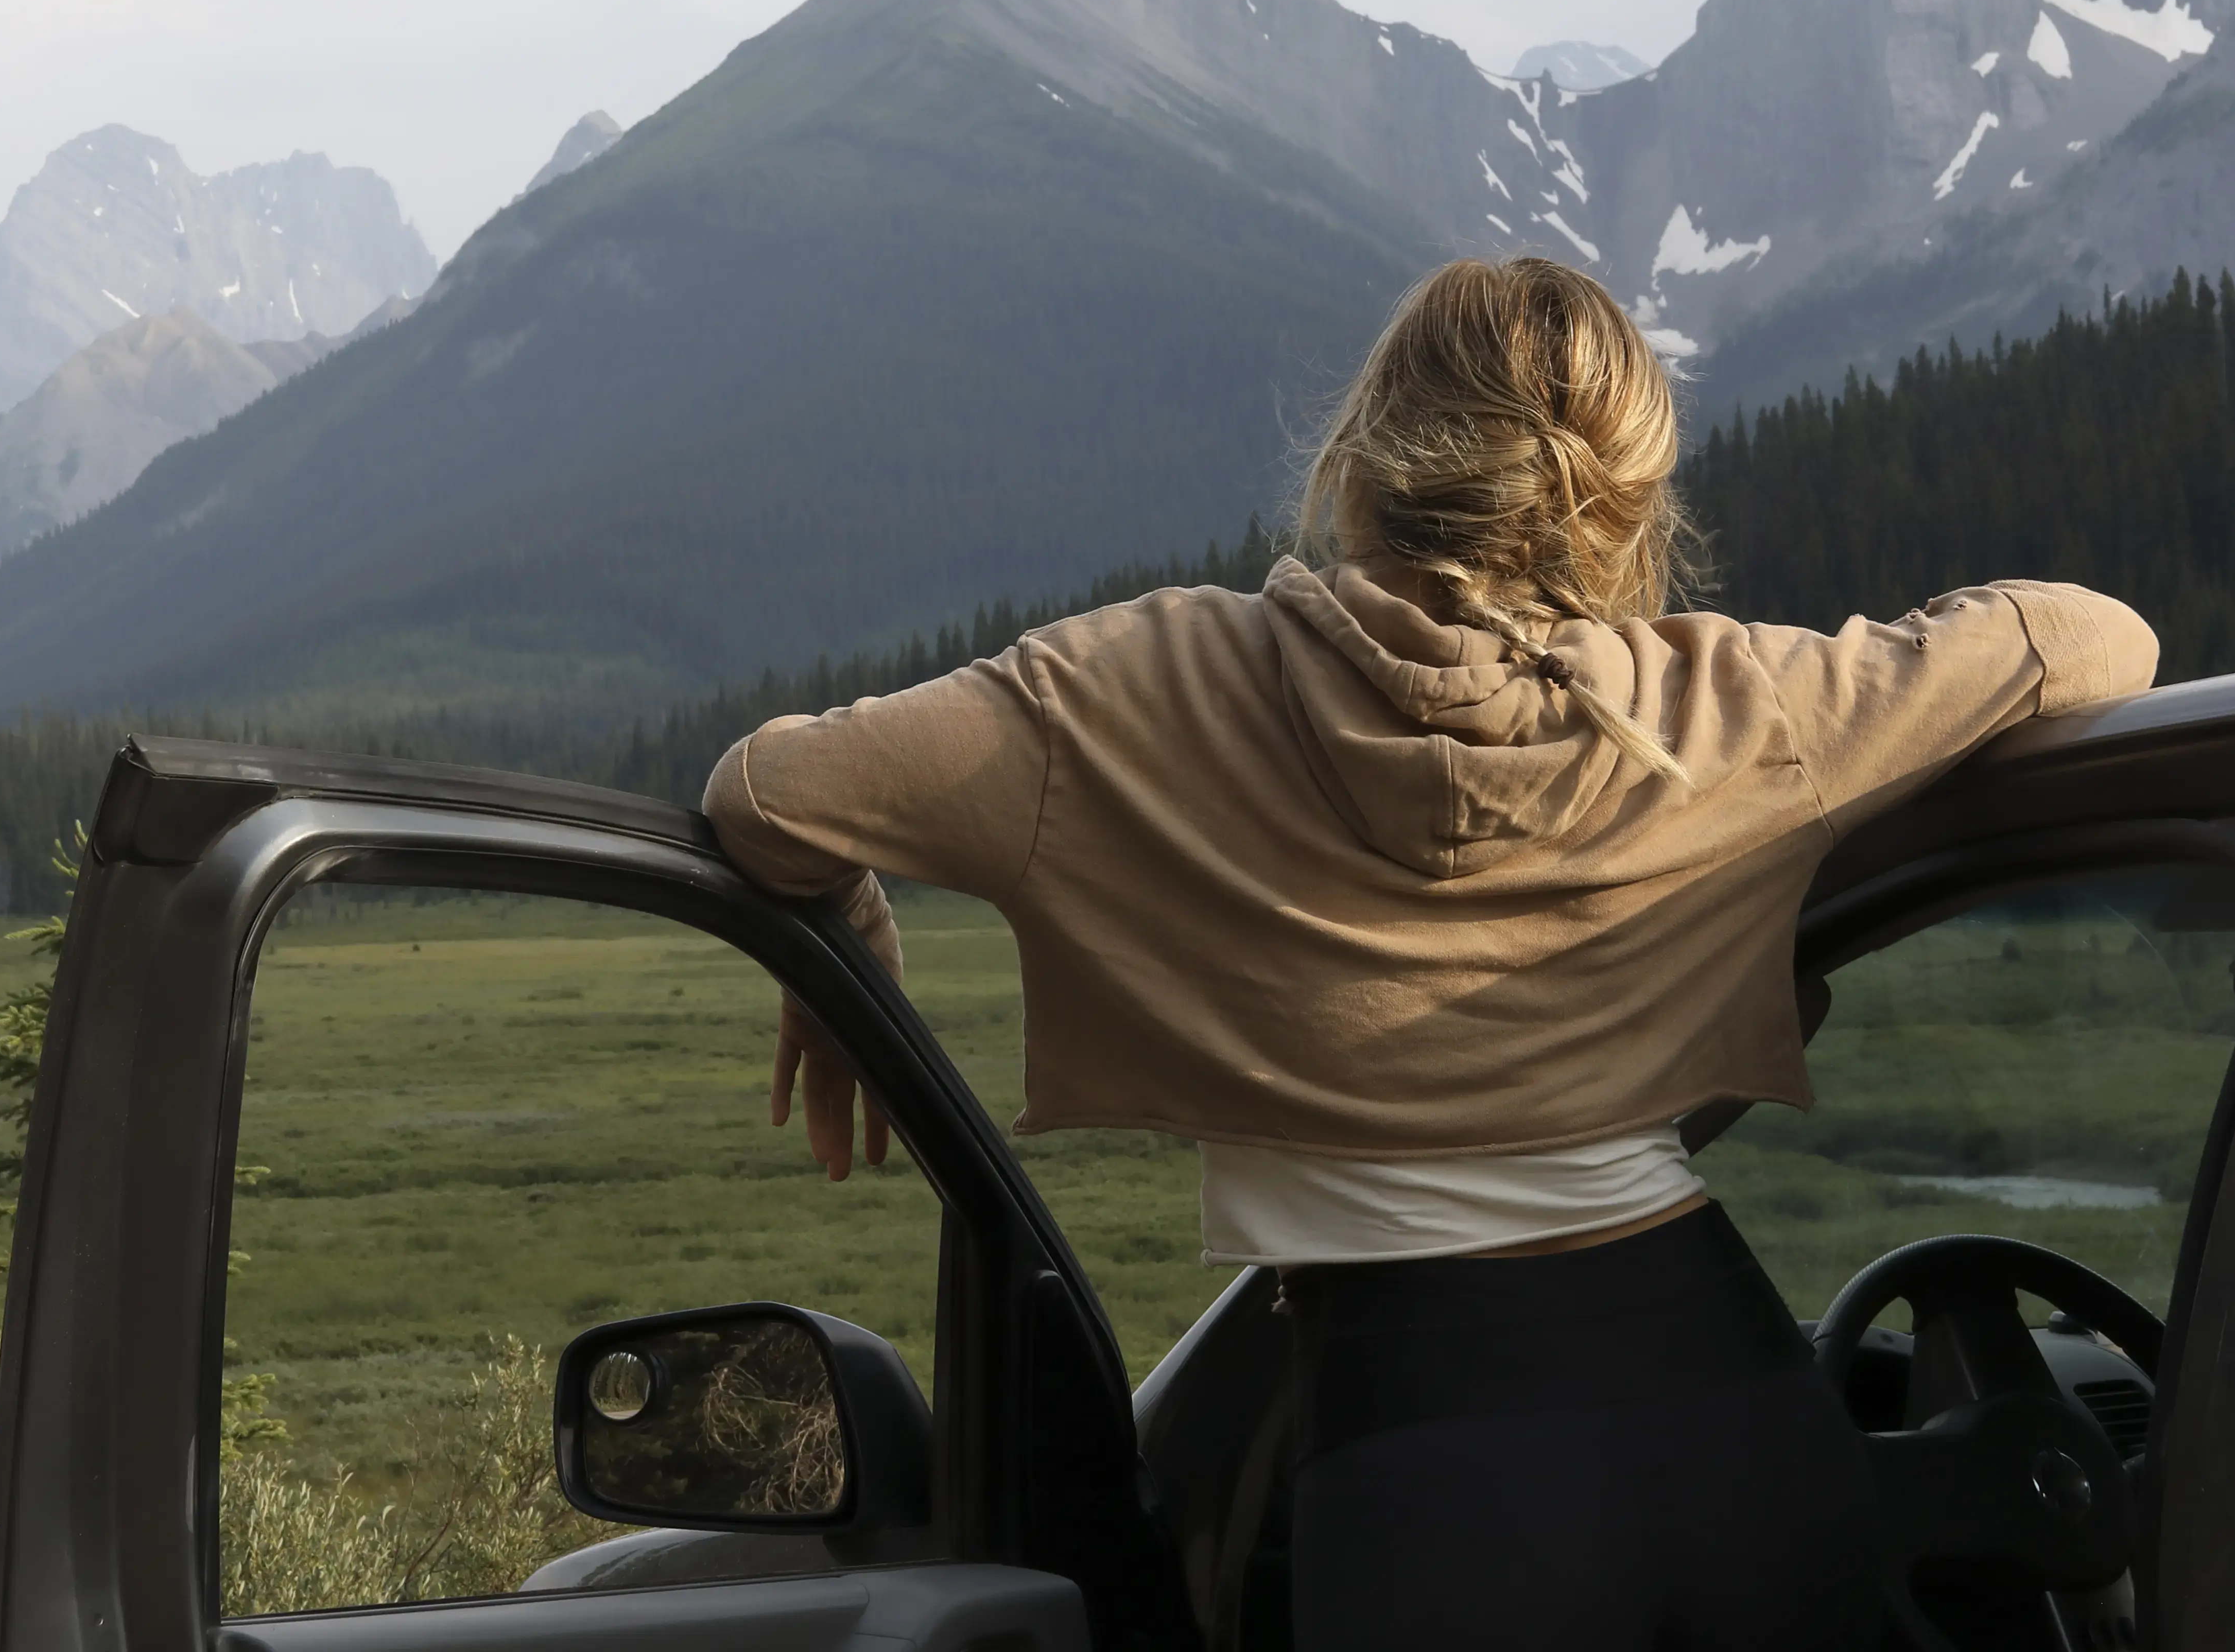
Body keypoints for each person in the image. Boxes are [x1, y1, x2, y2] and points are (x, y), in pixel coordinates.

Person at [699, 254, 2158, 1652]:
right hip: (1744, 1423)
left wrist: (849, 933)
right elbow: (2094, 641)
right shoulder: (1729, 699)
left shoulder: (1128, 690)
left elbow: (765, 797)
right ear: (1623, 503)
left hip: (1432, 1477)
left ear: (1360, 462)